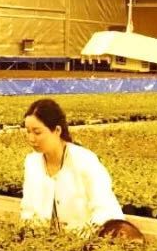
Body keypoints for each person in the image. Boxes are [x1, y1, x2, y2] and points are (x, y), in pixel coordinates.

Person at [20, 98, 143, 240]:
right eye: (28, 131)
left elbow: (104, 208)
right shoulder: (32, 162)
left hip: (84, 242)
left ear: (57, 130)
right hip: (43, 244)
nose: (31, 138)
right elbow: (28, 209)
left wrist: (88, 240)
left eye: (37, 132)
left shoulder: (84, 160)